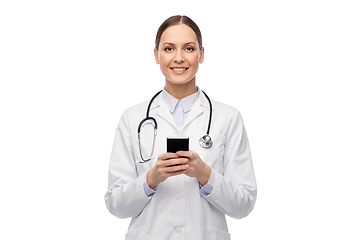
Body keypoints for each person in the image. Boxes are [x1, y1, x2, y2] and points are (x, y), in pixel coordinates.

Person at [104, 15, 257, 240]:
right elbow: (115, 205)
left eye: (188, 48)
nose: (178, 58)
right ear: (156, 55)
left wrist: (205, 174)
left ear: (201, 54)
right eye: (168, 49)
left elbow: (243, 204)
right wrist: (152, 178)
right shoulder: (132, 118)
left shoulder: (228, 118)